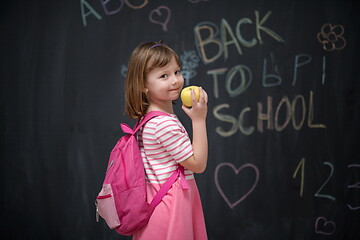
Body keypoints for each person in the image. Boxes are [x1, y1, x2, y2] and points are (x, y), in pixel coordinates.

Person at [124, 41, 208, 240]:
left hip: (158, 202)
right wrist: (199, 119)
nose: (175, 81)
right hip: (171, 207)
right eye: (164, 76)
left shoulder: (149, 119)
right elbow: (198, 164)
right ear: (143, 85)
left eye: (177, 72)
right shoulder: (164, 125)